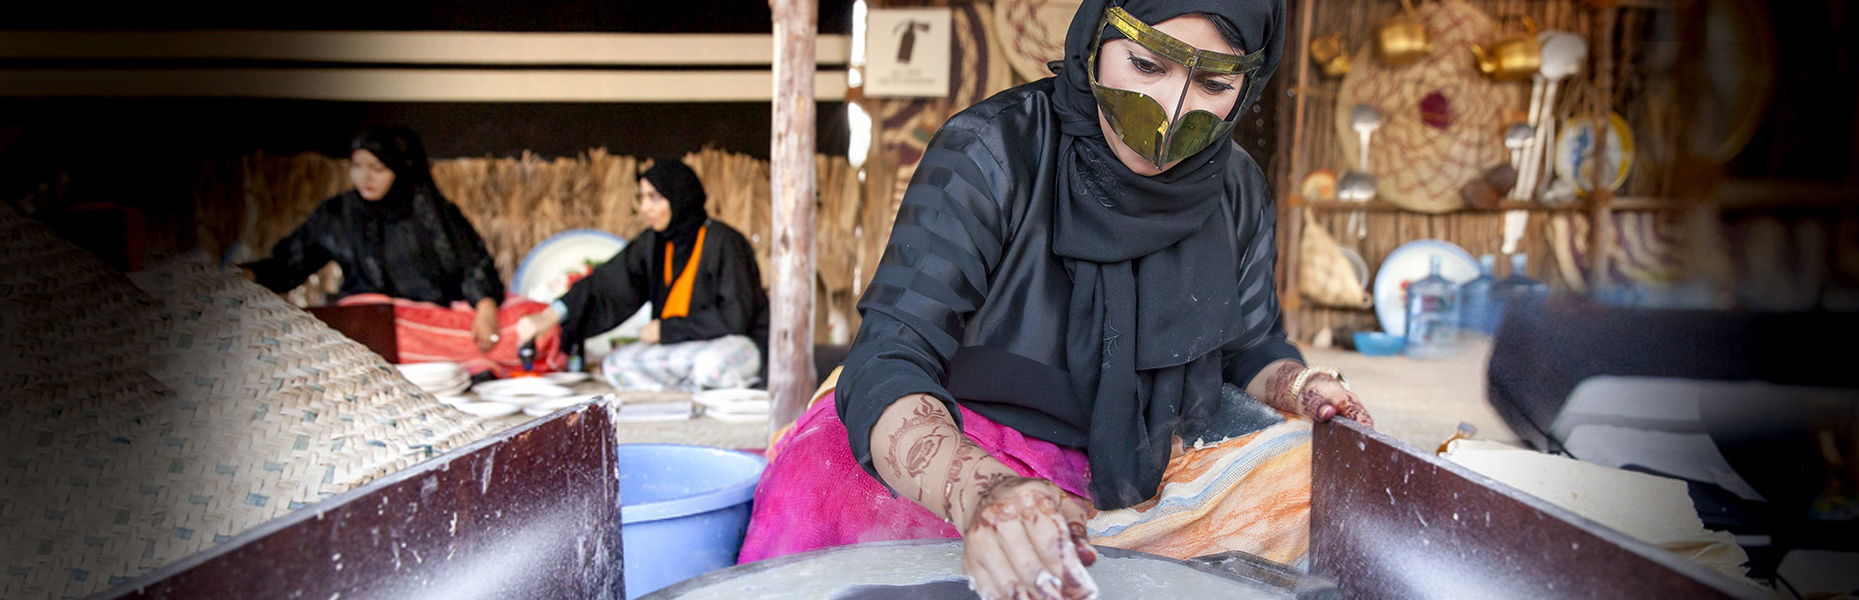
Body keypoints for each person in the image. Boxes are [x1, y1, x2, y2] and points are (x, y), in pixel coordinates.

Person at [737, 1, 1371, 599]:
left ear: (1248, 86)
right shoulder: (991, 150)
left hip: (1154, 468)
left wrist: (1299, 385)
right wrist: (980, 493)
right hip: (974, 446)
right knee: (826, 481)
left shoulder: (1237, 187)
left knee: (1318, 485)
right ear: (1097, 38)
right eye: (1147, 64)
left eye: (1213, 84)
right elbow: (890, 355)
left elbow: (1248, 346)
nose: (1172, 113)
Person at [241, 125, 554, 374]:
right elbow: (289, 264)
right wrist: (248, 275)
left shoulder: (430, 212)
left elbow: (473, 264)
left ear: (399, 168)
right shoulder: (337, 215)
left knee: (534, 324)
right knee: (358, 322)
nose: (365, 178)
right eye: (357, 166)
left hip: (435, 322)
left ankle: (459, 361)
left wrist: (485, 309)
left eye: (377, 168)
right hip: (370, 327)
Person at [514, 159, 769, 391]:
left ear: (679, 197)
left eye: (654, 198)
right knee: (615, 365)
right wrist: (552, 315)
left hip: (733, 345)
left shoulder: (724, 242)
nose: (645, 208)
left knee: (710, 366)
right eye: (643, 198)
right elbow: (607, 283)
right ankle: (684, 394)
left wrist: (667, 330)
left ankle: (693, 387)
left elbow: (736, 316)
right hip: (681, 351)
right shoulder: (654, 244)